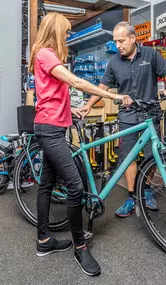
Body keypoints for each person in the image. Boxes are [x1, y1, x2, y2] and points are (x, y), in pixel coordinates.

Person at [28, 13, 132, 276]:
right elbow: (75, 81)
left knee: (47, 185)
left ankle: (44, 241)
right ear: (55, 30)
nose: (67, 36)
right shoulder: (46, 53)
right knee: (75, 187)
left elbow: (51, 94)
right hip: (50, 130)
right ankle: (80, 246)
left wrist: (72, 110)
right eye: (64, 32)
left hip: (53, 125)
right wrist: (113, 95)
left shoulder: (45, 55)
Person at [79, 21, 166, 218]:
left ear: (133, 38)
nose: (118, 45)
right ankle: (132, 197)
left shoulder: (150, 55)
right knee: (128, 158)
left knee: (152, 157)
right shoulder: (114, 62)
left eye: (122, 41)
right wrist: (89, 105)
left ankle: (147, 190)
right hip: (128, 117)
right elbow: (103, 87)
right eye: (116, 42)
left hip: (150, 115)